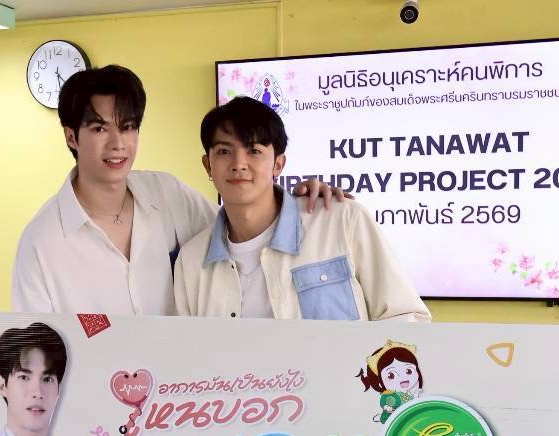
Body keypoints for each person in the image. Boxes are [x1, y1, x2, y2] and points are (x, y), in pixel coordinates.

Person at [11, 66, 347, 316]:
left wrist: (294, 203)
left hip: (186, 387)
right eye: (100, 128)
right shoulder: (41, 242)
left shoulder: (166, 194)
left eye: (128, 127)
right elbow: (38, 350)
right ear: (72, 136)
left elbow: (240, 232)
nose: (117, 144)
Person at [172, 96, 430, 321]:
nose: (239, 164)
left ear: (278, 164)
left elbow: (406, 318)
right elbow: (186, 351)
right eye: (224, 151)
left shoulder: (342, 221)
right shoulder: (192, 260)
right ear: (208, 165)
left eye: (254, 150)